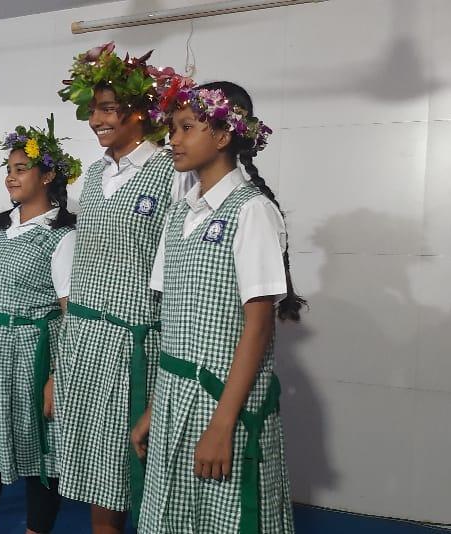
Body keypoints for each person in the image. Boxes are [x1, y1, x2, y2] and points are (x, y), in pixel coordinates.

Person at [134, 81, 301, 534]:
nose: (174, 139)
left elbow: (258, 326)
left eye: (187, 127)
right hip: (175, 399)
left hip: (222, 403)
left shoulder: (251, 211)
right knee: (173, 517)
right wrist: (155, 408)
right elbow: (174, 324)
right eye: (172, 128)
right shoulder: (179, 215)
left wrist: (223, 424)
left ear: (225, 135)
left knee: (224, 517)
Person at [54, 42, 194, 533]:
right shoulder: (94, 174)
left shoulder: (171, 171)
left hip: (135, 342)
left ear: (141, 111)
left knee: (142, 469)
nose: (97, 119)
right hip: (85, 338)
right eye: (94, 110)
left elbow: (178, 268)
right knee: (99, 473)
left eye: (109, 108)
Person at [0, 116, 79, 534]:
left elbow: (69, 311)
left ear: (48, 175)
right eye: (8, 169)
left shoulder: (62, 234)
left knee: (40, 452)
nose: (11, 176)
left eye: (21, 168)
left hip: (32, 353)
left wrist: (57, 376)